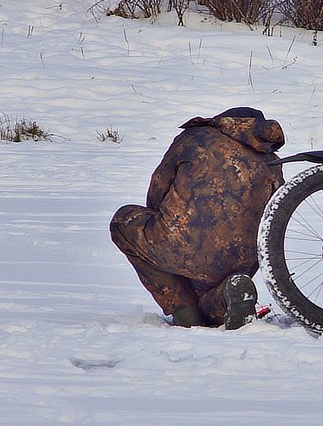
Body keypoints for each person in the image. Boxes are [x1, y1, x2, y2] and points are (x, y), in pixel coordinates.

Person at [110, 107, 285, 329]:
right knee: (212, 291)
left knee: (123, 222)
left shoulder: (195, 138)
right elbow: (276, 215)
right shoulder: (273, 161)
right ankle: (228, 293)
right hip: (241, 259)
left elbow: (157, 193)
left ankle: (185, 313)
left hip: (180, 241)